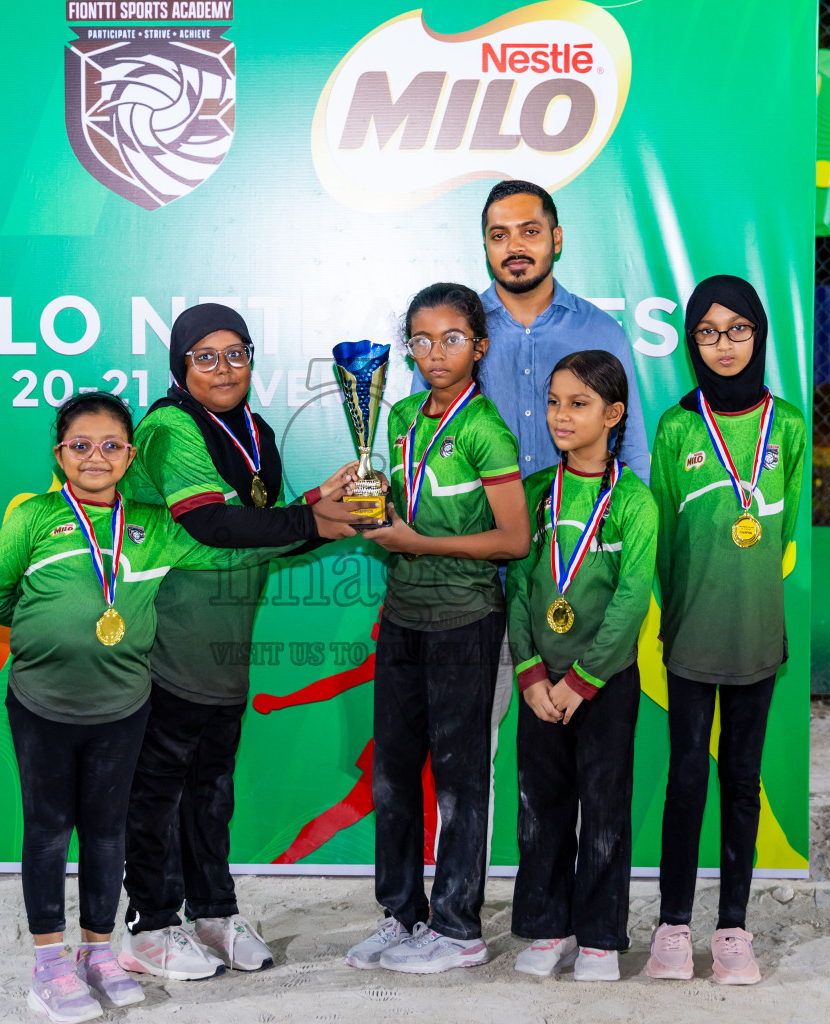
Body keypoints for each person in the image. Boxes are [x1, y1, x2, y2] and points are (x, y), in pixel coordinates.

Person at [0, 392, 301, 1023]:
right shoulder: (34, 518)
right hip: (41, 705)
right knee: (47, 831)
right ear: (58, 453)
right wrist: (52, 631)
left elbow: (233, 548)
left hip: (123, 707)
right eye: (80, 445)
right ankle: (49, 965)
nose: (95, 457)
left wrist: (315, 517)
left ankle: (100, 953)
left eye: (110, 446)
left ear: (130, 454)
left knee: (105, 832)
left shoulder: (154, 528)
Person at [116, 303, 357, 980]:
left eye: (237, 353)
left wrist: (324, 508)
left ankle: (213, 914)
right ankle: (153, 924)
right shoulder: (169, 428)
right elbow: (212, 527)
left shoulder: (255, 430)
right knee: (158, 785)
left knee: (211, 784)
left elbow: (261, 532)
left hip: (225, 641)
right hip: (167, 633)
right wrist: (311, 514)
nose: (224, 368)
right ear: (180, 365)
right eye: (206, 356)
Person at [346, 282, 531, 974]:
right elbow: (391, 505)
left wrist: (415, 542)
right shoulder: (394, 418)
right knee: (393, 777)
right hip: (401, 619)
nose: (434, 353)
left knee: (459, 780)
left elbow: (513, 539)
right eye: (419, 341)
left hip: (466, 622)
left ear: (479, 346)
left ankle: (458, 929)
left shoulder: (486, 430)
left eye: (451, 338)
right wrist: (363, 502)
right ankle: (401, 915)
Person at [645, 275, 805, 986]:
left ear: (759, 335)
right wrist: (680, 619)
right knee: (686, 779)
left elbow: (783, 528)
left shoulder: (790, 426)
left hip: (755, 637)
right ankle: (673, 927)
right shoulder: (677, 427)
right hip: (691, 637)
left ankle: (733, 930)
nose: (724, 345)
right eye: (708, 332)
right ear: (691, 342)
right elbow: (664, 543)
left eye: (738, 329)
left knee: (742, 781)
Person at [505, 350, 657, 982]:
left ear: (613, 413)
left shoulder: (635, 502)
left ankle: (598, 936)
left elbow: (630, 601)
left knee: (602, 811)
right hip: (541, 686)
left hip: (604, 684)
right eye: (554, 402)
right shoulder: (537, 494)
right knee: (540, 808)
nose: (560, 416)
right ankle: (548, 928)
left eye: (579, 403)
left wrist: (582, 680)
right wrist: (532, 671)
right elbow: (517, 587)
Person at [467, 179, 651, 481]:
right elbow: (421, 439)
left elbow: (630, 448)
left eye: (530, 232)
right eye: (499, 235)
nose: (514, 247)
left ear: (557, 238)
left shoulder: (602, 333)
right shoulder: (457, 333)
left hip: (580, 526)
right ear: (486, 245)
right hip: (479, 527)